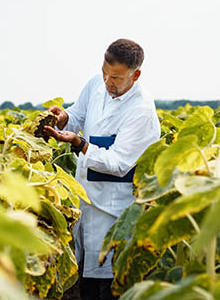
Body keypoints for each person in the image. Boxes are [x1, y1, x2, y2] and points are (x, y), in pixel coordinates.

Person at [44, 38, 161, 300]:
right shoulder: (97, 84)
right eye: (105, 73)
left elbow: (118, 163)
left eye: (117, 78)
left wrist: (79, 143)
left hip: (114, 211)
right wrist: (64, 119)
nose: (109, 82)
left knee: (108, 287)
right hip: (87, 201)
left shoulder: (141, 110)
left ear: (136, 75)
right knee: (86, 281)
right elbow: (77, 116)